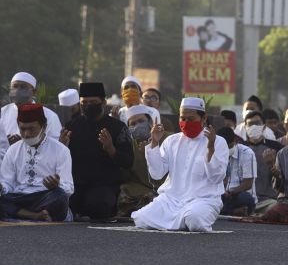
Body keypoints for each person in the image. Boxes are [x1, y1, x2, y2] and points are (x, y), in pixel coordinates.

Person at [132, 97, 229, 232]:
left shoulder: (218, 142)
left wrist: (210, 148)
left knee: (195, 220)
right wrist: (154, 143)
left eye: (191, 119)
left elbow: (216, 177)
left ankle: (182, 220)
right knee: (141, 218)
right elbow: (157, 173)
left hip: (203, 200)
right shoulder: (171, 141)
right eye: (183, 118)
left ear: (203, 118)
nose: (186, 122)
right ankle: (179, 221)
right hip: (171, 200)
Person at [60, 82, 134, 222]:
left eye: (93, 102)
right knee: (61, 204)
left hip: (104, 185)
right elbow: (60, 159)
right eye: (84, 102)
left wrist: (111, 149)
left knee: (98, 206)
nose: (88, 105)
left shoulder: (117, 127)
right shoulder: (72, 126)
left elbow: (128, 161)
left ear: (104, 102)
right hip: (76, 185)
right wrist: (62, 147)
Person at [0, 104, 74, 221]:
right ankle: (35, 215)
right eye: (22, 129)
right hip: (21, 198)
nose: (26, 134)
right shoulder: (13, 150)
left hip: (46, 197)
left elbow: (68, 188)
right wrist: (2, 187)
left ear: (44, 127)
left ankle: (21, 214)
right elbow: (7, 183)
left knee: (59, 196)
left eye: (31, 129)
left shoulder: (61, 150)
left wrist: (56, 186)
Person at [115, 105, 170, 218]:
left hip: (165, 187)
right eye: (133, 124)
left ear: (150, 122)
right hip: (140, 187)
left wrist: (150, 152)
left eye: (141, 121)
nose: (138, 125)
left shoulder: (168, 139)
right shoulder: (129, 145)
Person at [1, 72, 62, 145]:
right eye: (15, 86)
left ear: (34, 92)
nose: (17, 90)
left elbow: (55, 146)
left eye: (23, 87)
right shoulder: (2, 112)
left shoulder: (50, 116)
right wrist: (6, 143)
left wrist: (24, 144)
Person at [243, 111, 283, 214]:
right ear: (245, 127)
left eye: (257, 123)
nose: (254, 126)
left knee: (278, 209)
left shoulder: (276, 147)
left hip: (269, 200)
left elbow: (283, 178)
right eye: (250, 124)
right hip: (246, 200)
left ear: (264, 126)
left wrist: (272, 165)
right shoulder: (240, 148)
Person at [217, 127, 257, 216]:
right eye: (224, 147)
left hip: (237, 195)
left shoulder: (247, 153)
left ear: (235, 140)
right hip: (221, 195)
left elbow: (248, 184)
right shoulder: (215, 152)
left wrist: (231, 192)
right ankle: (232, 212)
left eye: (229, 146)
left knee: (246, 198)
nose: (227, 149)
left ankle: (222, 211)